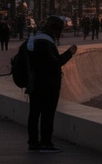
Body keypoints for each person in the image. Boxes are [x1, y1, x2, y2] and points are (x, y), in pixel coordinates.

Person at [25, 16, 77, 153]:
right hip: (48, 85)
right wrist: (70, 53)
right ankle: (46, 143)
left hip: (34, 83)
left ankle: (33, 142)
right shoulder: (46, 43)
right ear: (55, 30)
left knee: (34, 113)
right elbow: (54, 63)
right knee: (47, 114)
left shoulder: (35, 39)